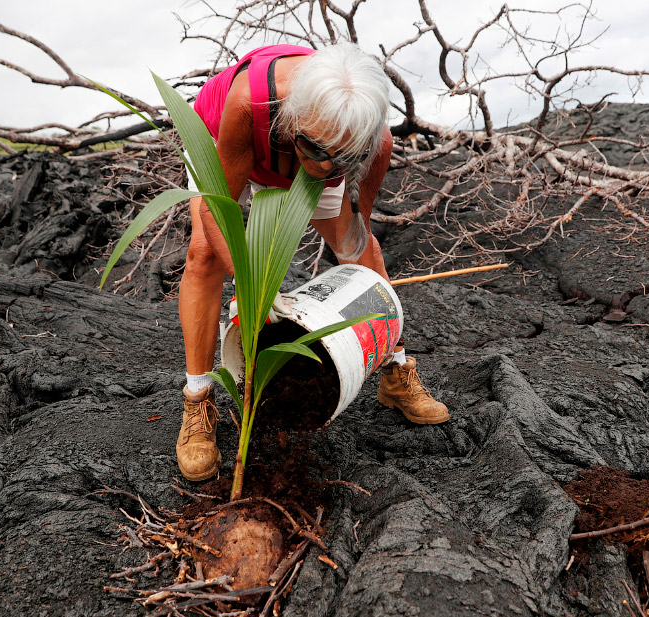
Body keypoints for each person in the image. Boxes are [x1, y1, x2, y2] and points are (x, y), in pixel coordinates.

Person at [177, 42, 449, 481]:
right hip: (231, 142)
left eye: (338, 159)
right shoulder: (249, 103)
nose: (322, 169)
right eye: (315, 149)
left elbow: (357, 224)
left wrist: (327, 157)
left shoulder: (371, 142)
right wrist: (251, 294)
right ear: (295, 116)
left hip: (315, 145)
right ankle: (198, 400)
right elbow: (215, 210)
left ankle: (396, 372)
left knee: (362, 250)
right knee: (205, 254)